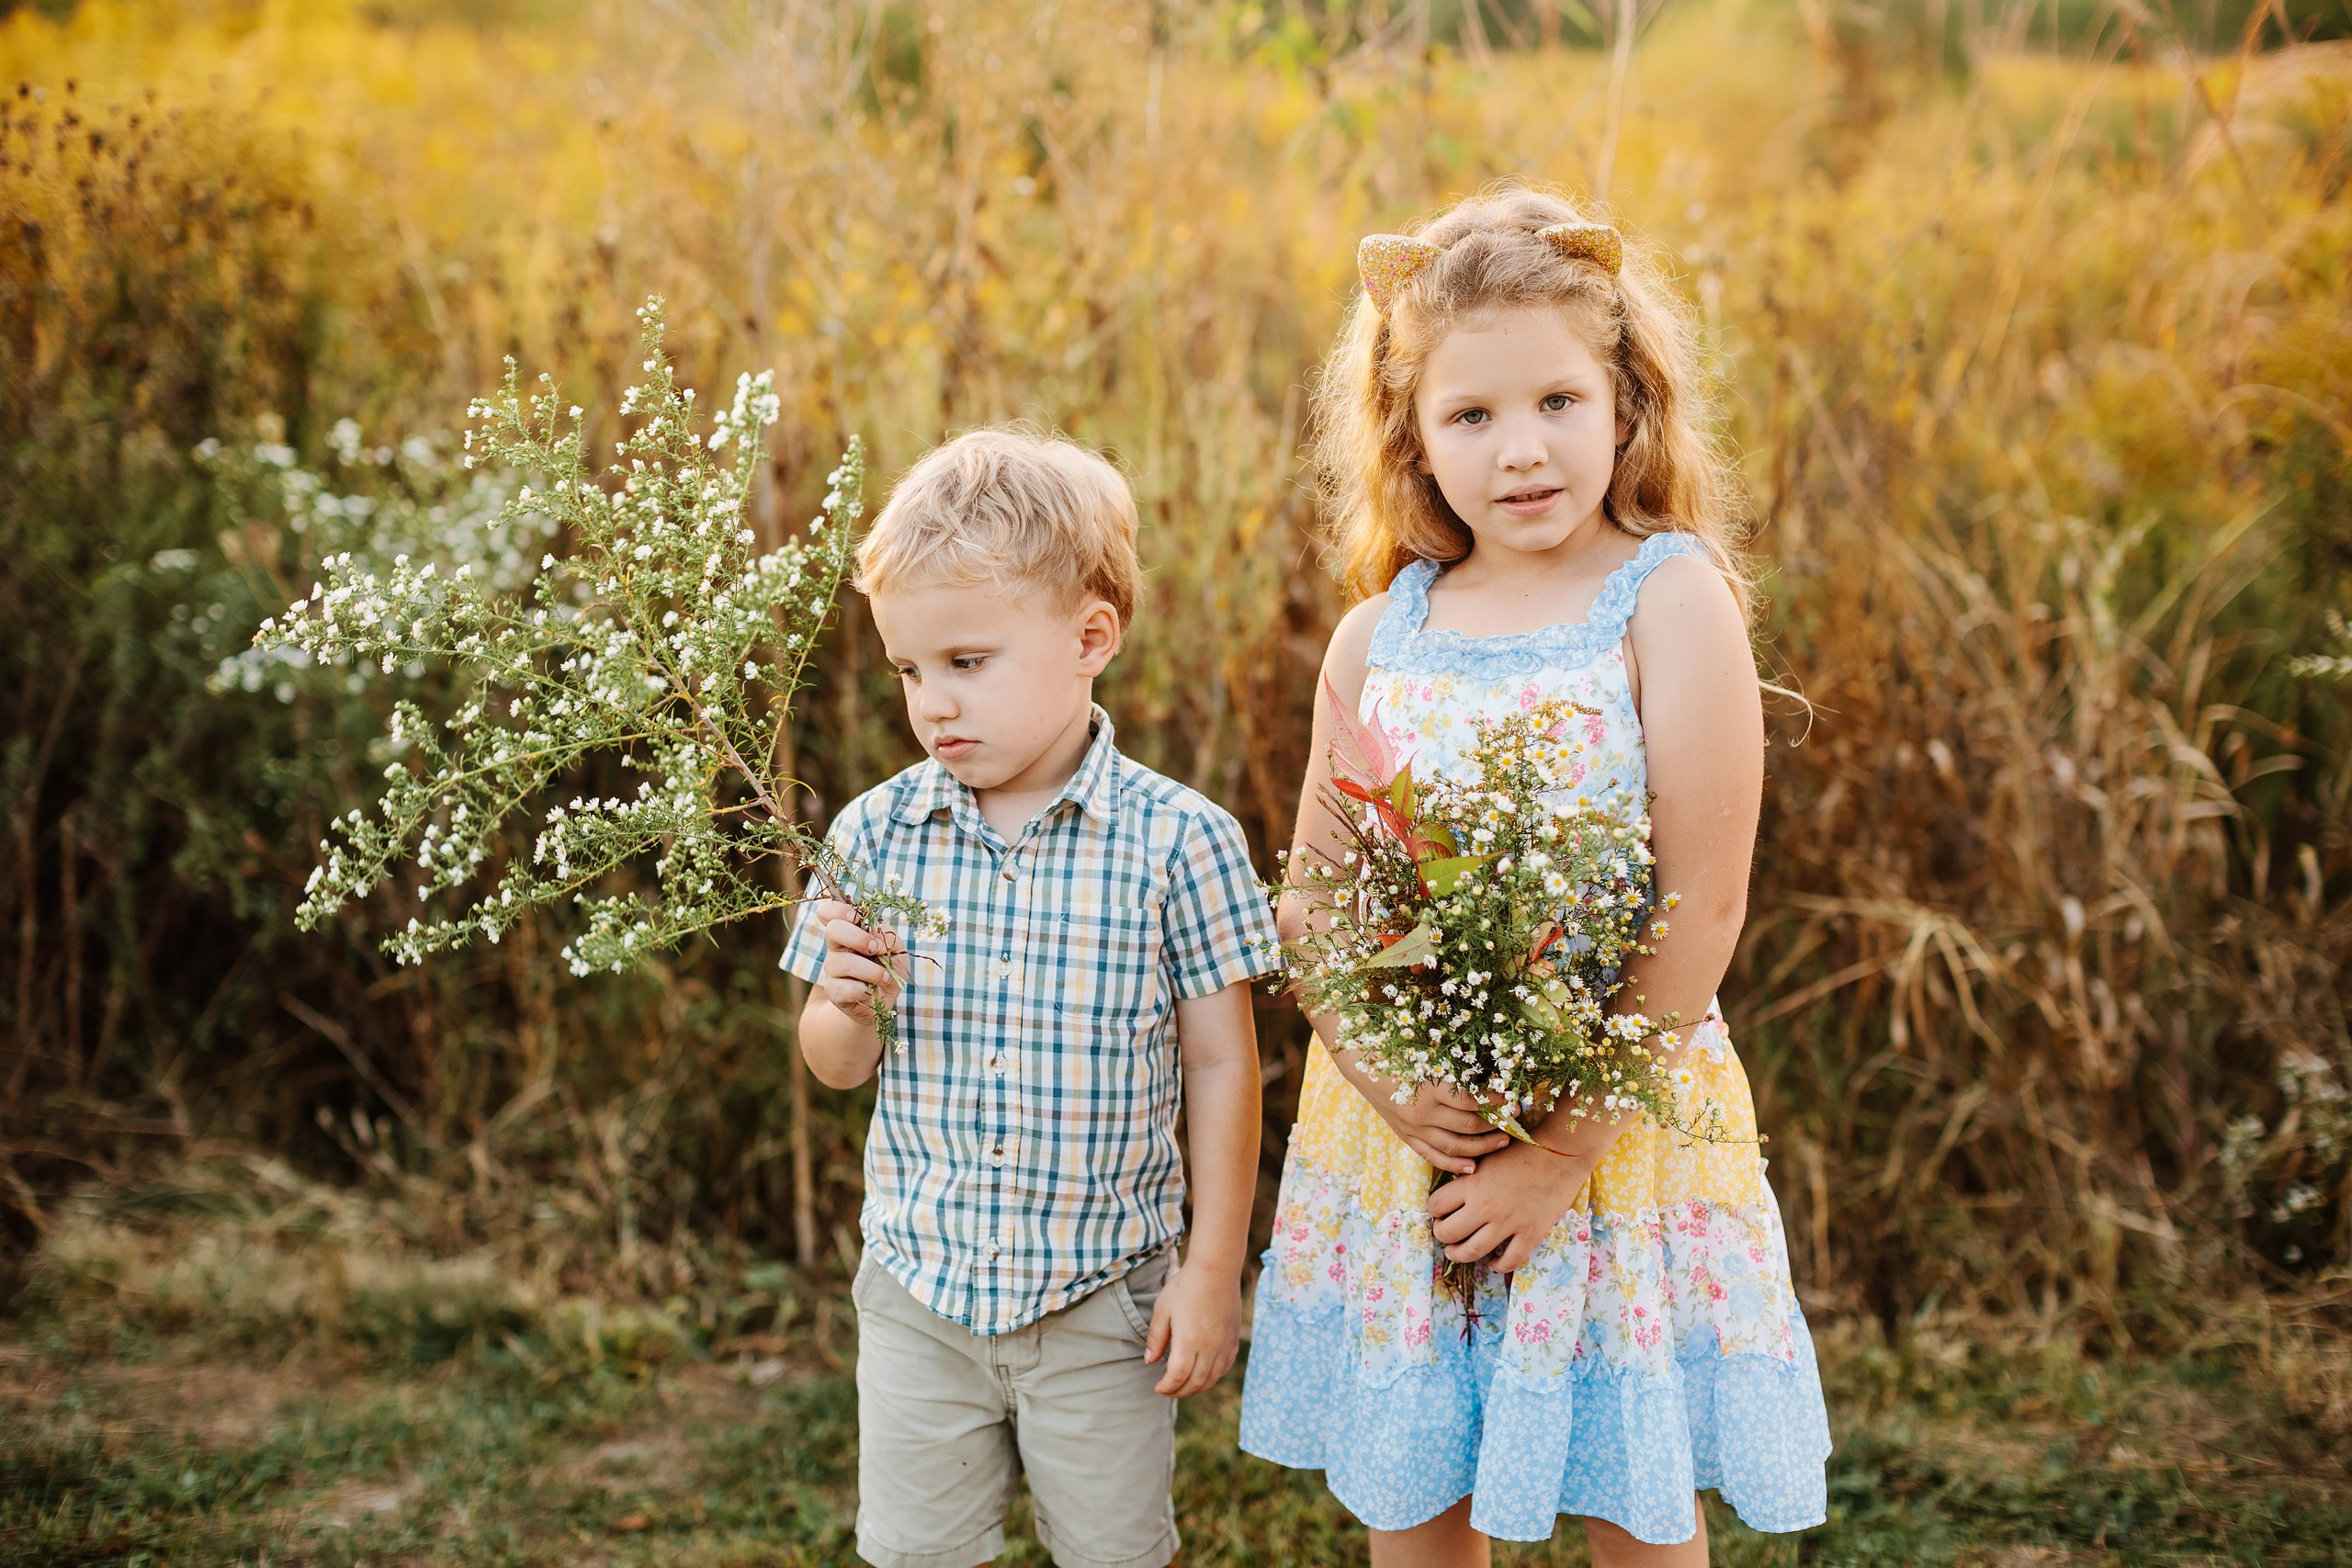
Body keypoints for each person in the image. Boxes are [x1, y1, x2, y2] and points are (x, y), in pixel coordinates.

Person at [1238, 186, 1832, 1565]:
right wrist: (1407, 1094)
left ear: (1626, 401)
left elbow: (1706, 904)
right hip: (1413, 1127)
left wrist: (1557, 1153)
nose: (1523, 449)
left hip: (1614, 1117)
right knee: (1421, 1479)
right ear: (1413, 437)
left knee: (1633, 1486)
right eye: (1473, 416)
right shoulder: (1379, 638)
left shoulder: (1668, 596)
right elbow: (1318, 901)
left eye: (1560, 400)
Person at [782, 427, 1280, 1568]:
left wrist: (1211, 1271)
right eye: (910, 671)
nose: (933, 705)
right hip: (920, 1291)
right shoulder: (875, 834)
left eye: (967, 662)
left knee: (1111, 1550)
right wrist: (846, 1008)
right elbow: (831, 1061)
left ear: (1089, 638)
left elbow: (1221, 1066)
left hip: (1103, 1296)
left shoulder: (1180, 843)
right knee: (916, 1553)